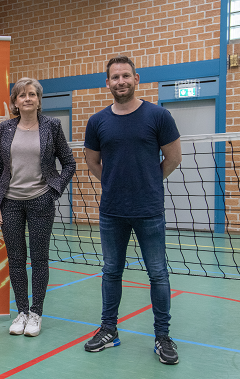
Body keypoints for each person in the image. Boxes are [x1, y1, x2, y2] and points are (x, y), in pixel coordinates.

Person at [83, 55, 182, 365]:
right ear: (108, 83)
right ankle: (108, 330)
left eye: (126, 75)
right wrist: (115, 184)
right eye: (115, 77)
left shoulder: (158, 115)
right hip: (112, 210)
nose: (121, 81)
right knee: (111, 271)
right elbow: (92, 162)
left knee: (158, 273)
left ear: (136, 79)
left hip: (149, 209)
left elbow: (173, 157)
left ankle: (162, 336)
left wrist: (148, 182)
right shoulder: (97, 121)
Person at [0, 78, 76, 337]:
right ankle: (21, 312)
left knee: (39, 259)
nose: (27, 99)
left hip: (41, 201)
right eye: (21, 95)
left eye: (32, 94)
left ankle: (36, 313)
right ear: (15, 102)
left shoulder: (52, 126)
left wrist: (54, 190)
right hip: (10, 203)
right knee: (16, 261)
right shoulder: (5, 128)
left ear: (39, 99)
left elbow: (69, 163)